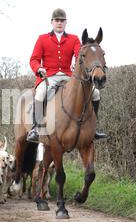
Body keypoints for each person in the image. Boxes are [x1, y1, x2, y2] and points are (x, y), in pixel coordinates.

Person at [27, 8, 107, 143]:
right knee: (40, 93)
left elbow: (79, 55)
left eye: (62, 21)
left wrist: (77, 63)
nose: (59, 23)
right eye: (57, 20)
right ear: (52, 22)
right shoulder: (42, 39)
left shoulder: (74, 39)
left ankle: (93, 128)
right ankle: (36, 128)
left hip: (68, 76)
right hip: (49, 76)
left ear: (66, 23)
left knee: (96, 94)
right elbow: (33, 59)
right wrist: (39, 68)